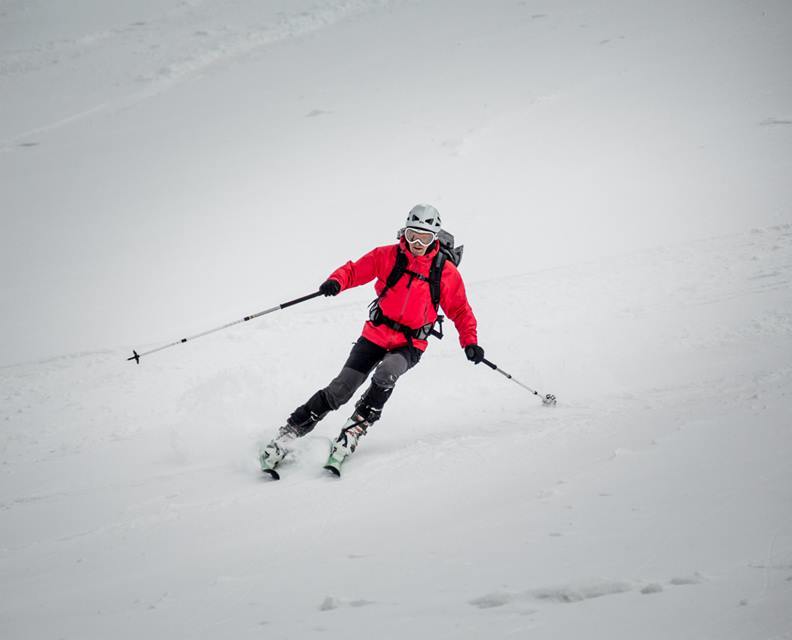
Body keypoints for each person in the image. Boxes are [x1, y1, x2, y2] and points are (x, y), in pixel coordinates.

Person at [259, 204, 485, 474]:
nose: (416, 243)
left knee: (386, 373)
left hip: (410, 343)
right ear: (404, 232)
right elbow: (354, 270)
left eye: (424, 238)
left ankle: (353, 431)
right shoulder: (387, 255)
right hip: (375, 334)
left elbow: (460, 310)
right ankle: (289, 433)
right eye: (412, 235)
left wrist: (470, 342)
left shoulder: (445, 272)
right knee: (341, 388)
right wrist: (336, 282)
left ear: (434, 237)